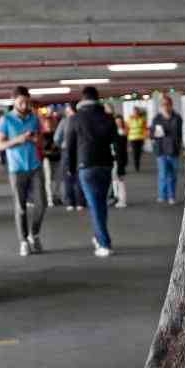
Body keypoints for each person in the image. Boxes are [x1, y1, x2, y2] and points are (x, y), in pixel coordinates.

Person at [63, 86, 126, 258]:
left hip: (86, 166)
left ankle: (104, 243)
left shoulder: (75, 119)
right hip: (105, 165)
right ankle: (99, 237)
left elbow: (70, 145)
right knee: (100, 204)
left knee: (95, 205)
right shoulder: (108, 118)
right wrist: (121, 167)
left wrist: (69, 168)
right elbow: (119, 144)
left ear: (83, 100)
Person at [0, 86, 48, 257]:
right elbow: (0, 145)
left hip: (35, 166)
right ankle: (23, 241)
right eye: (21, 102)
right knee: (20, 208)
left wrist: (36, 139)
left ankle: (34, 234)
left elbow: (41, 140)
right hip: (17, 169)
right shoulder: (6, 120)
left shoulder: (34, 118)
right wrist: (18, 139)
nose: (25, 105)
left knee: (42, 204)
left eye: (27, 102)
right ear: (14, 102)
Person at [151, 95, 184, 205]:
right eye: (163, 105)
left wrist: (181, 146)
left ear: (171, 105)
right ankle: (162, 195)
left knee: (173, 175)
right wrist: (156, 133)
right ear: (160, 106)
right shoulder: (157, 119)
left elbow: (181, 134)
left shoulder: (177, 118)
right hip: (161, 151)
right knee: (163, 175)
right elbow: (152, 134)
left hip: (173, 150)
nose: (165, 107)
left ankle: (171, 196)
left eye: (167, 104)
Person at [55, 103, 85, 211]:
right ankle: (81, 202)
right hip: (81, 151)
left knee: (68, 177)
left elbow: (57, 138)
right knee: (80, 176)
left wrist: (62, 144)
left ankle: (70, 203)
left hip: (67, 151)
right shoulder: (83, 121)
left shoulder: (65, 121)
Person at [111, 113, 130, 209]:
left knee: (120, 180)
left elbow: (121, 149)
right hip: (115, 159)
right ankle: (117, 198)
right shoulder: (114, 132)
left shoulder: (122, 133)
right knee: (115, 180)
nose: (118, 123)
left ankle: (122, 200)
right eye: (116, 122)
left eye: (119, 122)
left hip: (120, 159)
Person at [127, 108, 148, 172]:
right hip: (132, 138)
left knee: (139, 152)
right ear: (133, 112)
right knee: (135, 152)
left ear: (138, 112)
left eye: (136, 112)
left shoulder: (142, 119)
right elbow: (127, 127)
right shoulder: (130, 119)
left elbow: (145, 128)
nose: (135, 113)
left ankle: (137, 163)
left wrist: (145, 136)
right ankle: (136, 165)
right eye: (134, 112)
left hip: (140, 138)